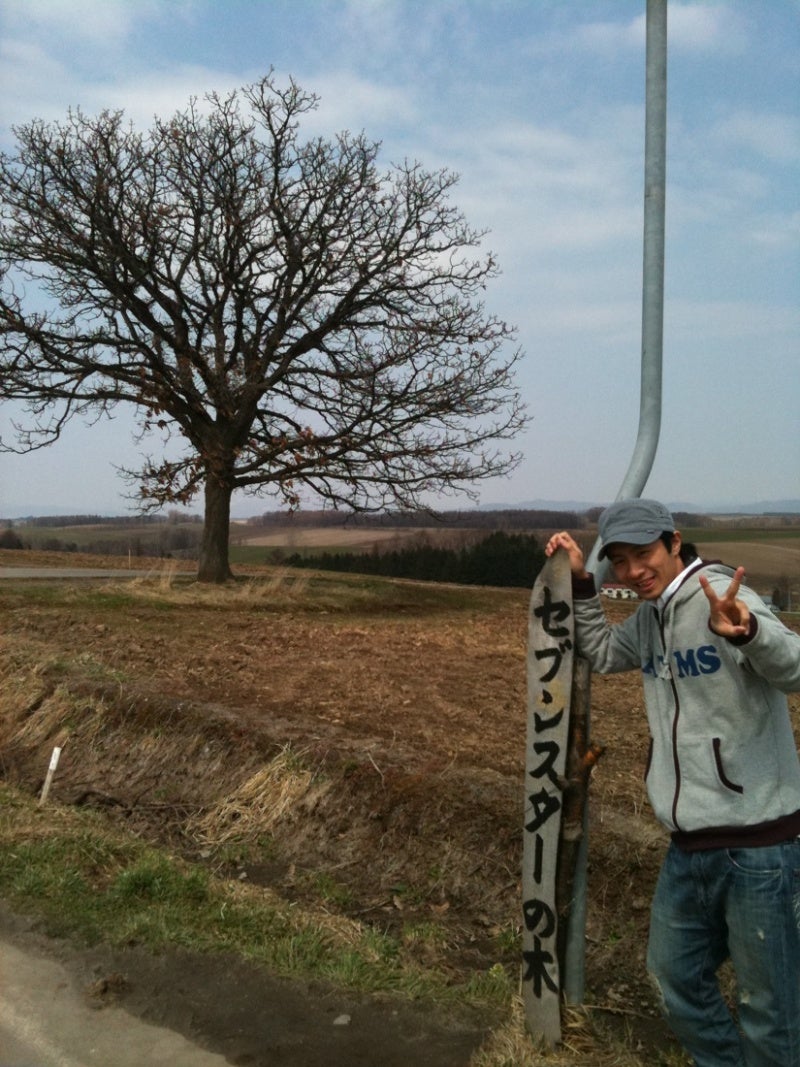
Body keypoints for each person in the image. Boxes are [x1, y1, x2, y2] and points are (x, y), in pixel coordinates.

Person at [545, 499, 800, 1067]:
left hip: (760, 848)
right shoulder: (651, 616)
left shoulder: (719, 594)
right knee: (673, 982)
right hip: (688, 848)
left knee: (770, 1014)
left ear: (675, 542)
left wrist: (749, 632)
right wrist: (584, 584)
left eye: (644, 554)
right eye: (620, 561)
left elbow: (796, 667)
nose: (634, 571)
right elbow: (605, 653)